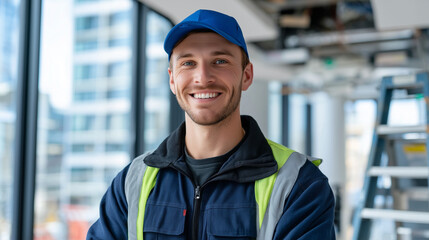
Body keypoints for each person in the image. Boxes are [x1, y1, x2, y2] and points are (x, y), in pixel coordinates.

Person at [87, 9, 336, 240]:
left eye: (220, 61)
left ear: (246, 75)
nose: (203, 78)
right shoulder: (132, 182)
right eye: (188, 63)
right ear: (172, 80)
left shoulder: (299, 185)